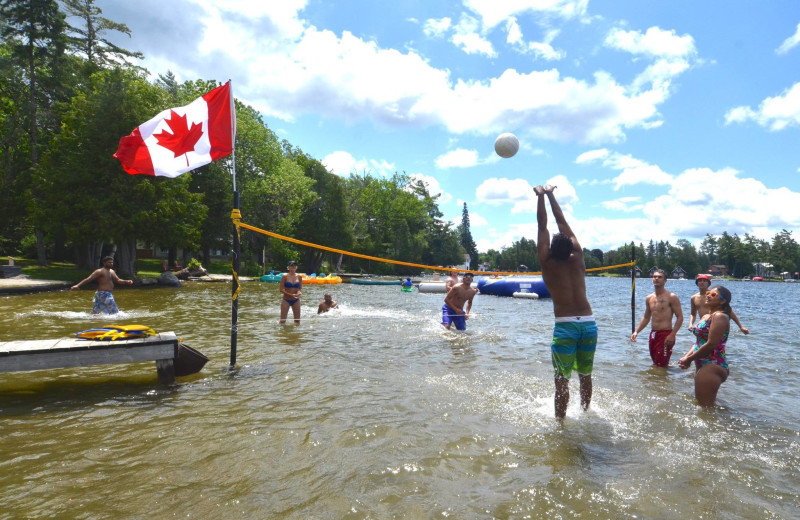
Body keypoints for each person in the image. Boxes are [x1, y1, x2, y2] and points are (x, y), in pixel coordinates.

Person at [535, 184, 597, 419]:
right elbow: (562, 222)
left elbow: (543, 226)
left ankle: (560, 423)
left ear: (550, 248)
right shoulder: (578, 258)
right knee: (585, 374)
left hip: (566, 326)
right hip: (589, 324)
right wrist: (551, 195)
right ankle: (585, 412)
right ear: (571, 246)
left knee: (562, 377)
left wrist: (540, 197)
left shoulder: (547, 262)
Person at [678, 285, 732, 406]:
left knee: (705, 409)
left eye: (713, 294)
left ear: (723, 301)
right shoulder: (706, 316)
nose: (708, 295)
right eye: (708, 293)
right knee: (701, 405)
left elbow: (711, 344)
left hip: (713, 364)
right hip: (702, 364)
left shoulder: (720, 317)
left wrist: (690, 359)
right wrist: (687, 356)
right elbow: (699, 342)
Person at [630, 269, 684, 367]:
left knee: (661, 365)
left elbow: (680, 317)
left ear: (665, 280)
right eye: (655, 277)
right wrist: (636, 331)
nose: (656, 279)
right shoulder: (649, 298)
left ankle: (664, 379)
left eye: (660, 277)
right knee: (655, 363)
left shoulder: (672, 297)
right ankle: (658, 381)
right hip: (653, 334)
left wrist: (672, 335)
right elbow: (646, 317)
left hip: (666, 334)